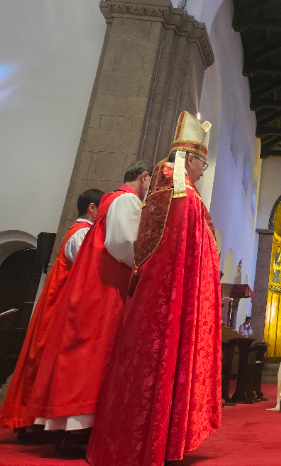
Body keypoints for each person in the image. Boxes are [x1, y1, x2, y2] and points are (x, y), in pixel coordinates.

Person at [87, 111, 222, 466]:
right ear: (190, 159)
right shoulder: (184, 197)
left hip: (156, 298)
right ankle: (155, 440)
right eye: (202, 165)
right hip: (170, 301)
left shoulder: (166, 192)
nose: (201, 172)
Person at [26, 161, 151, 454]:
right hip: (106, 289)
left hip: (94, 285)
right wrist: (146, 265)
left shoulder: (109, 199)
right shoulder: (128, 199)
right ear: (143, 177)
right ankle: (78, 433)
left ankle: (68, 429)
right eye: (150, 184)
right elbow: (124, 244)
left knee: (80, 355)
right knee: (92, 356)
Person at [0, 188, 104, 435]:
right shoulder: (82, 234)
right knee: (43, 363)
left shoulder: (78, 231)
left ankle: (34, 422)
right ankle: (28, 422)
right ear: (92, 207)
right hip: (58, 310)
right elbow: (89, 268)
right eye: (103, 208)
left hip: (56, 307)